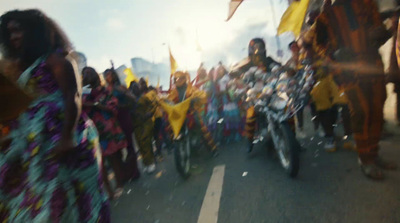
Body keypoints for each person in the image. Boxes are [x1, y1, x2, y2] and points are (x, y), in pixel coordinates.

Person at [0, 10, 109, 222]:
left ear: (33, 32)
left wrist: (68, 136)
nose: (13, 36)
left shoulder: (55, 59)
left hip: (65, 134)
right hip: (35, 142)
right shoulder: (18, 67)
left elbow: (73, 95)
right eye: (8, 32)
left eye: (18, 30)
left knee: (76, 200)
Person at [314, 0, 397, 179]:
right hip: (347, 71)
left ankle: (374, 153)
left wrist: (382, 32)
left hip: (372, 63)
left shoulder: (367, 3)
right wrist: (332, 54)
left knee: (376, 110)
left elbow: (378, 30)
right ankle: (365, 159)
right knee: (361, 112)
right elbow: (319, 45)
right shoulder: (325, 15)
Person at [82, 67, 127, 199]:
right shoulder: (84, 93)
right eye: (84, 74)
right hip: (93, 132)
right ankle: (109, 192)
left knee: (114, 159)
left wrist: (96, 105)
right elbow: (80, 106)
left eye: (89, 73)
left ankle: (119, 185)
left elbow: (113, 107)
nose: (86, 76)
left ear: (95, 75)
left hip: (109, 130)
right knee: (100, 164)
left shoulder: (104, 90)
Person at [167, 71, 218, 154]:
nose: (177, 80)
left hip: (191, 113)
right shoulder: (174, 91)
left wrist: (196, 98)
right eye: (176, 79)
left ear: (184, 78)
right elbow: (169, 99)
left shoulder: (190, 88)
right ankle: (174, 146)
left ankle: (212, 149)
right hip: (180, 115)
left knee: (201, 127)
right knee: (170, 127)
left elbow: (201, 94)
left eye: (179, 78)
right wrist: (166, 102)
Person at [103, 68, 140, 180]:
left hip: (123, 118)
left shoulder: (120, 87)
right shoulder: (104, 90)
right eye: (106, 75)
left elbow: (133, 100)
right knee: (117, 150)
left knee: (129, 146)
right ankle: (124, 173)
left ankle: (134, 172)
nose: (108, 77)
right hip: (111, 122)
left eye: (110, 74)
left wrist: (121, 106)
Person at [131, 78, 157, 174]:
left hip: (146, 123)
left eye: (136, 87)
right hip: (137, 125)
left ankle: (150, 163)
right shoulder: (132, 101)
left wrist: (149, 114)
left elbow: (153, 106)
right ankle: (147, 162)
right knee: (141, 145)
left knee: (145, 142)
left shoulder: (144, 98)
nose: (135, 89)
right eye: (133, 88)